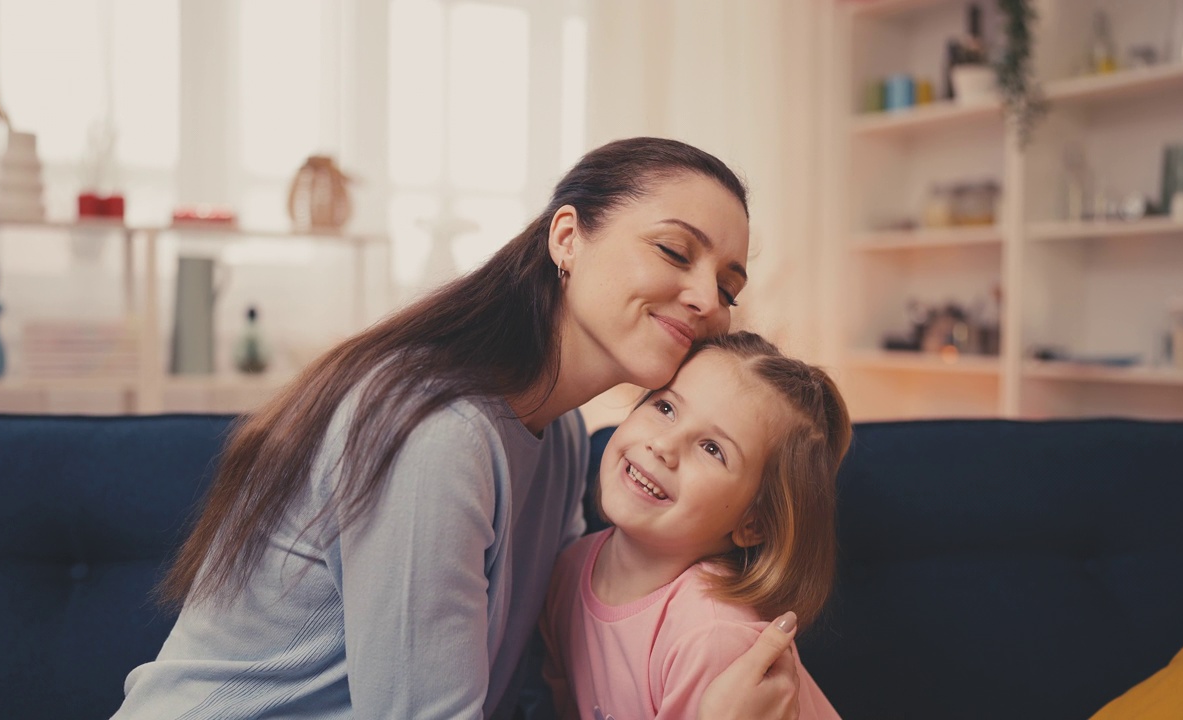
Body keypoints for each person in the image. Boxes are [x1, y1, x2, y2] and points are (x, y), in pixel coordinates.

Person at [113, 137, 801, 719]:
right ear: (568, 237)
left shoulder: (559, 437)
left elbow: (545, 668)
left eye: (729, 286)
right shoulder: (439, 436)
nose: (708, 300)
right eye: (677, 252)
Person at [540, 332, 851, 720]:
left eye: (711, 449)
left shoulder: (712, 638)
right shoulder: (567, 572)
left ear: (754, 523)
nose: (664, 446)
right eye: (666, 408)